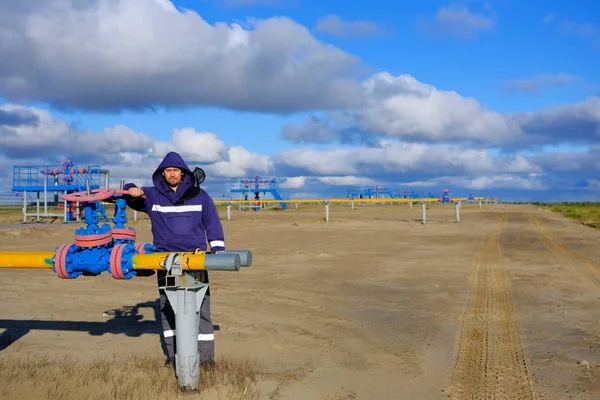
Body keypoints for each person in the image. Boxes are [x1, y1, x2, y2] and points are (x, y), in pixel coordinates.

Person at [123, 151, 225, 368]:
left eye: (175, 170)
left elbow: (212, 222)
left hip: (194, 260)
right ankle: (173, 355)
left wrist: (217, 248)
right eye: (168, 171)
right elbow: (127, 197)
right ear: (162, 173)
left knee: (201, 308)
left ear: (183, 173)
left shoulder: (200, 195)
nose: (171, 174)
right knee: (168, 308)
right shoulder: (153, 195)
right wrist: (130, 188)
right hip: (164, 260)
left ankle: (206, 359)